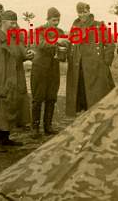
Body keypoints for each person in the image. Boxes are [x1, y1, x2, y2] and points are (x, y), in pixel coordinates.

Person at [0, 10, 34, 152]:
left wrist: (29, 55)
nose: (15, 25)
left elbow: (21, 54)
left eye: (15, 22)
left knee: (10, 107)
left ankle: (5, 138)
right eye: (12, 22)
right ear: (3, 23)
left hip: (14, 80)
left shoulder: (15, 38)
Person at [65, 2, 115, 116]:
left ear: (89, 11)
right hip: (79, 67)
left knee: (96, 94)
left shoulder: (99, 25)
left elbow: (110, 44)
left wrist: (105, 62)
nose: (82, 15)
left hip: (95, 66)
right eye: (80, 12)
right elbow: (70, 44)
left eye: (85, 12)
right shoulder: (75, 27)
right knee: (81, 92)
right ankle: (83, 116)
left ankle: (96, 116)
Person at [30, 7, 68, 138]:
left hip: (53, 68)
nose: (56, 23)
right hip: (40, 67)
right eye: (53, 20)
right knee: (38, 98)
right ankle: (35, 128)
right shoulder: (39, 30)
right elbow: (40, 44)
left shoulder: (60, 31)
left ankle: (48, 126)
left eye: (58, 20)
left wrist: (66, 47)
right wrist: (56, 41)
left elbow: (64, 47)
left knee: (51, 97)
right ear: (48, 19)